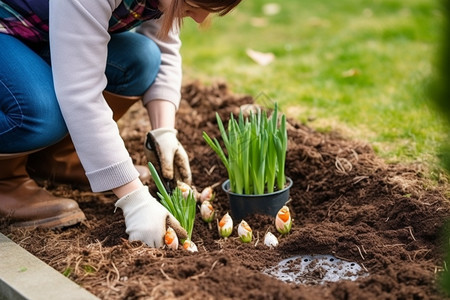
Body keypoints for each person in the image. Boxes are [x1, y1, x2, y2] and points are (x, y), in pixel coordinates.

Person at [0, 0, 241, 247]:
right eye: (193, 3)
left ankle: (57, 158)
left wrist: (164, 131)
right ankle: (6, 182)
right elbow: (81, 91)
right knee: (38, 111)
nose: (200, 19)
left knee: (141, 59)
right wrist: (133, 199)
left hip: (37, 30)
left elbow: (163, 44)